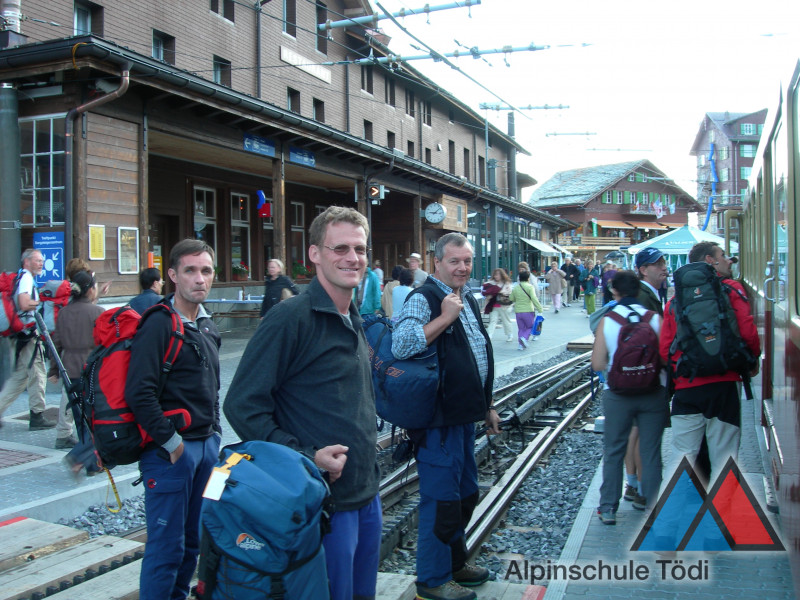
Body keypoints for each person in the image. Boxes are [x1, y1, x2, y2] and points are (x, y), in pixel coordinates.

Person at [224, 206, 381, 600]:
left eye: (360, 249)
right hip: (321, 505)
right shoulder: (290, 318)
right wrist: (305, 457)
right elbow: (242, 405)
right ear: (314, 254)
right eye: (340, 248)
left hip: (366, 493)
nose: (352, 258)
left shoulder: (353, 315)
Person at [392, 233, 500, 600]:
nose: (462, 268)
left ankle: (455, 563)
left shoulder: (467, 297)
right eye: (454, 261)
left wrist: (487, 405)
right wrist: (444, 318)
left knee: (465, 494)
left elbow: (475, 356)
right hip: (438, 421)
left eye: (467, 261)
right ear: (436, 262)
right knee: (441, 501)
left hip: (463, 416)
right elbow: (402, 344)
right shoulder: (423, 298)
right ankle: (432, 581)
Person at [126, 239, 222, 600]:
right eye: (190, 270)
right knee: (166, 547)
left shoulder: (207, 325)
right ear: (172, 275)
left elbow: (212, 388)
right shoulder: (159, 324)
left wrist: (214, 434)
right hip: (170, 454)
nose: (199, 278)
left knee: (193, 542)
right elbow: (139, 392)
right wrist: (173, 444)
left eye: (206, 271)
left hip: (206, 448)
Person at [660, 241, 760, 485]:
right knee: (724, 458)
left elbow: (665, 349)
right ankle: (721, 508)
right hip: (725, 385)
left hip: (686, 388)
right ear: (710, 260)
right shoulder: (731, 290)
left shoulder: (676, 301)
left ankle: (673, 509)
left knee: (681, 456)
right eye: (723, 255)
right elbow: (747, 331)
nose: (728, 260)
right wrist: (751, 360)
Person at [591, 270, 667, 524]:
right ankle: (652, 506)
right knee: (651, 451)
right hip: (653, 392)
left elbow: (597, 363)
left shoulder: (608, 321)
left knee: (614, 450)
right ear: (638, 290)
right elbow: (666, 358)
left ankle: (608, 508)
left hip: (618, 395)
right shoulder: (654, 319)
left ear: (614, 291)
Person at [48, 270, 105, 449]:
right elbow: (105, 344)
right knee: (92, 411)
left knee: (74, 407)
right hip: (92, 368)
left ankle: (77, 440)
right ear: (90, 290)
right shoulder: (98, 312)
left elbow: (56, 344)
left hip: (69, 368)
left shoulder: (64, 312)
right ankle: (91, 448)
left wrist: (54, 370)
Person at [0, 249, 55, 431]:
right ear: (27, 261)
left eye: (42, 261)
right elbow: (24, 303)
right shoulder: (26, 278)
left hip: (19, 334)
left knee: (20, 378)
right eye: (37, 260)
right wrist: (40, 302)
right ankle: (37, 416)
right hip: (28, 335)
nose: (41, 263)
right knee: (37, 373)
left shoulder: (21, 277)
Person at [509, 270, 543, 350]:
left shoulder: (516, 287)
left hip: (518, 312)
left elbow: (511, 298)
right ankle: (524, 338)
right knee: (530, 327)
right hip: (528, 311)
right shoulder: (530, 287)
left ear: (519, 279)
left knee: (521, 328)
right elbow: (534, 298)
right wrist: (540, 308)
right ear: (528, 278)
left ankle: (520, 345)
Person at [481, 268, 514, 343]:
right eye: (495, 275)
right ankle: (489, 335)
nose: (496, 276)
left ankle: (510, 334)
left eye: (498, 275)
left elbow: (509, 292)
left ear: (502, 275)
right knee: (493, 320)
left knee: (506, 320)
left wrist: (498, 291)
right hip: (494, 305)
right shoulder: (491, 283)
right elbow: (486, 292)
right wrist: (485, 306)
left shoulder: (506, 283)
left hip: (504, 305)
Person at [634, 247, 667, 316]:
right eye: (658, 264)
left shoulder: (647, 292)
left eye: (664, 263)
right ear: (643, 270)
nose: (664, 268)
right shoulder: (642, 296)